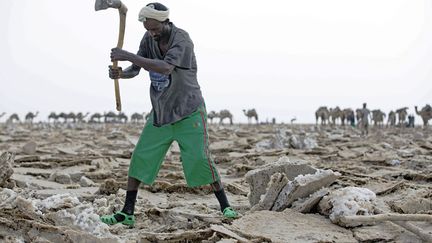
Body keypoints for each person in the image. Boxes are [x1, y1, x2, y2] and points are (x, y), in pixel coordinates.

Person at [100, 2, 238, 226]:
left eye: (155, 28)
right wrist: (121, 74)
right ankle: (127, 213)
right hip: (161, 113)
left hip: (188, 111)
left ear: (166, 22)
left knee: (200, 159)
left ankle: (226, 206)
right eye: (148, 29)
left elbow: (165, 67)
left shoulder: (182, 39)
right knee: (140, 158)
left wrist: (128, 56)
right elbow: (136, 69)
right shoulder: (149, 39)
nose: (152, 33)